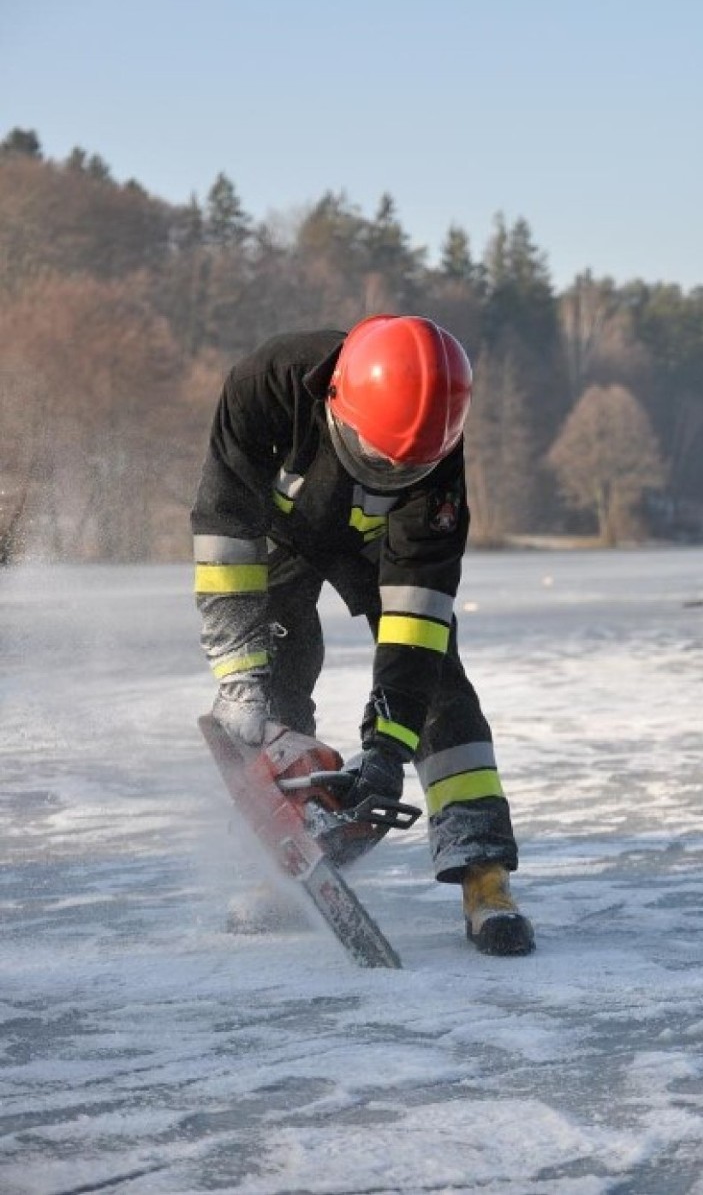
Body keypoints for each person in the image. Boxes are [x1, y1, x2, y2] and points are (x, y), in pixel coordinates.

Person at [191, 315, 534, 956]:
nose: (391, 474)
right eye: (379, 459)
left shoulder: (434, 469)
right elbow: (224, 528)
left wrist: (387, 747)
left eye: (407, 468)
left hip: (378, 552)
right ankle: (297, 834)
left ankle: (484, 873)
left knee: (439, 689)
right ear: (336, 403)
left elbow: (416, 617)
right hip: (278, 536)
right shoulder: (265, 386)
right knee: (276, 678)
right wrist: (239, 670)